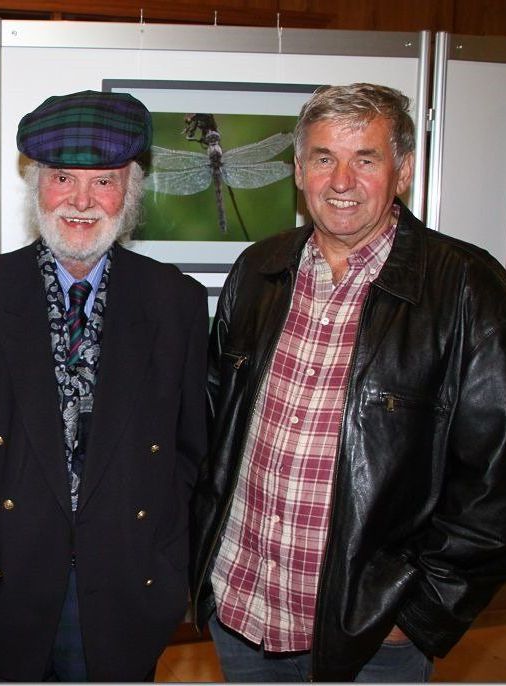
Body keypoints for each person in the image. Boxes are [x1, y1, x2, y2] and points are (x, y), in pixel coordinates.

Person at [192, 82, 506, 682]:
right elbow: (214, 430)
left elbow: (494, 485)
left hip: (370, 634)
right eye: (323, 158)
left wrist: (418, 612)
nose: (341, 181)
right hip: (241, 609)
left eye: (366, 159)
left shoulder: (468, 288)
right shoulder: (259, 270)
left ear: (403, 170)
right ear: (297, 170)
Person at [0, 90, 209, 681]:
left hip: (123, 592)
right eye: (63, 178)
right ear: (36, 185)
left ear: (131, 189)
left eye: (103, 180)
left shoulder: (176, 302)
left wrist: (167, 573)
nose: (80, 201)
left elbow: (190, 458)